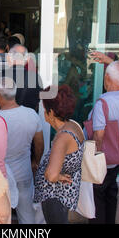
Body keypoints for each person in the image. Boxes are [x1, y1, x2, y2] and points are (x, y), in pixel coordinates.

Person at [86, 51, 119, 224]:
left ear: (106, 78)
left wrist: (94, 162)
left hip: (102, 161)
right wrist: (109, 62)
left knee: (97, 200)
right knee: (111, 195)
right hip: (115, 156)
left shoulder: (103, 103)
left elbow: (99, 136)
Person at [0, 77, 44, 224]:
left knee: (1, 216)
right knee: (27, 216)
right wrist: (35, 161)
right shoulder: (31, 115)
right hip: (24, 172)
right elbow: (39, 144)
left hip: (2, 175)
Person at [34, 84, 84, 224]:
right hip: (62, 197)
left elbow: (51, 175)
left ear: (50, 112)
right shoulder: (73, 125)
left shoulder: (62, 137)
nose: (43, 112)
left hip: (54, 198)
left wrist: (59, 176)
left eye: (44, 109)